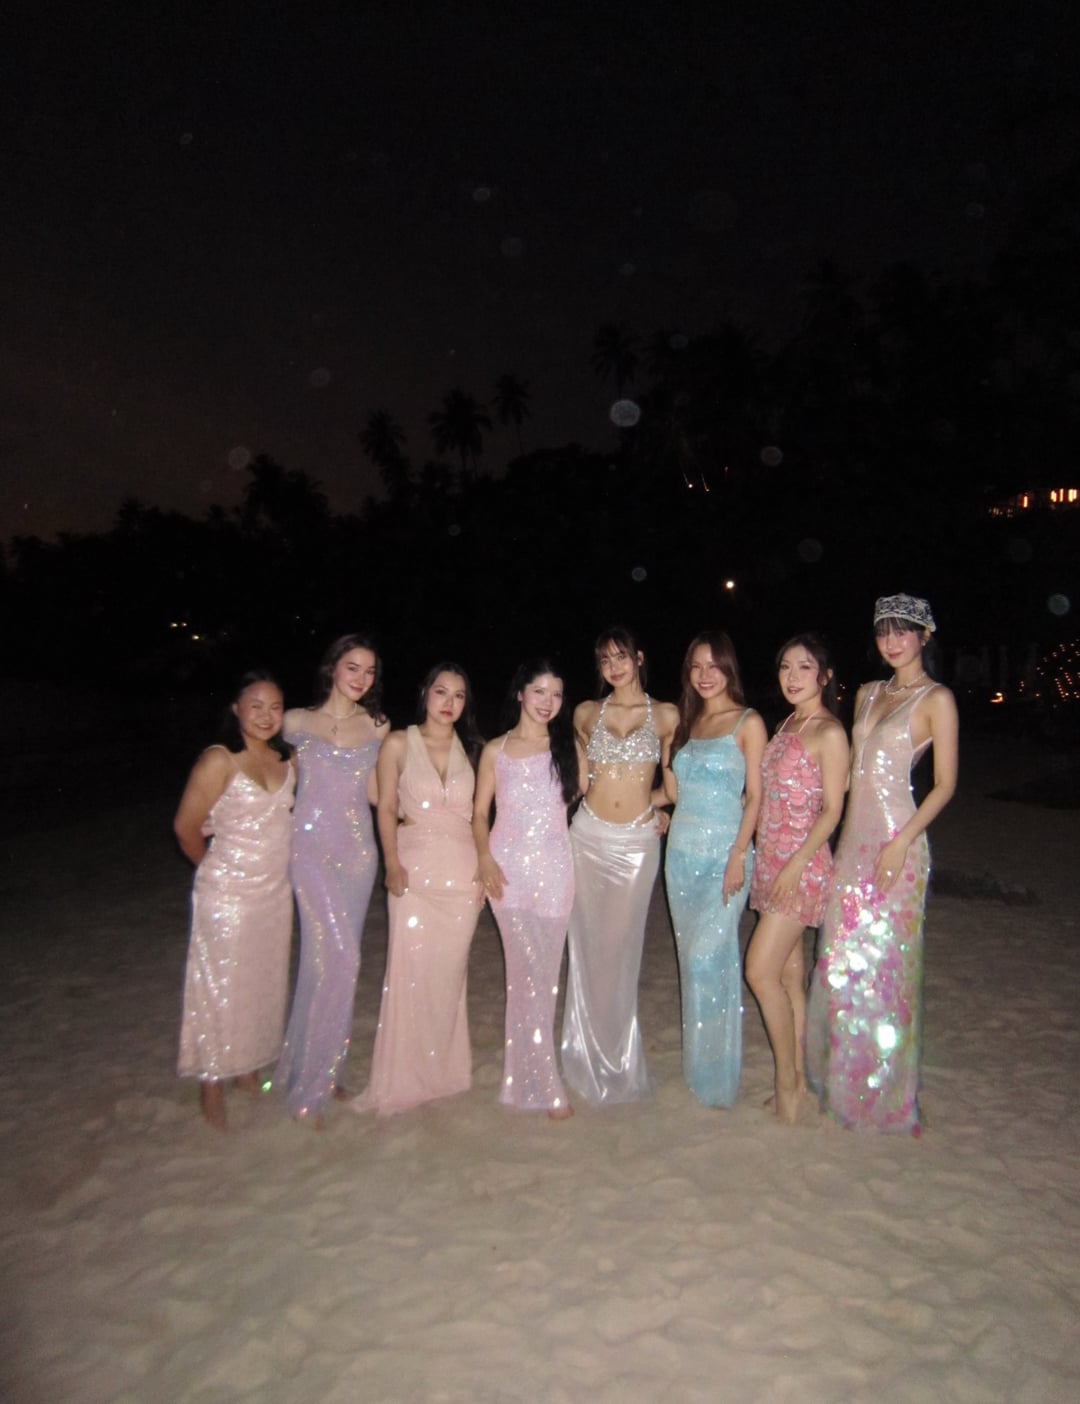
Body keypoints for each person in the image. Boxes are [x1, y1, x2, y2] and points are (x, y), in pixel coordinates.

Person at [806, 594, 958, 1134]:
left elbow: (944, 785)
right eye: (883, 632)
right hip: (854, 841)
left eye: (902, 631)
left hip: (899, 842)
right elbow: (850, 774)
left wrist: (901, 843)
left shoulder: (937, 699)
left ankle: (887, 1097)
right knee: (841, 962)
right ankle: (844, 1085)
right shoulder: (867, 693)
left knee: (889, 970)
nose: (892, 642)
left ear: (924, 636)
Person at [355, 663, 484, 1116]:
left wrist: (485, 864)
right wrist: (391, 863)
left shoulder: (473, 747)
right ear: (425, 693)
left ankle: (443, 1074)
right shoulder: (398, 743)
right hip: (414, 872)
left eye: (459, 695)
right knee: (410, 973)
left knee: (449, 976)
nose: (449, 703)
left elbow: (481, 814)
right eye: (441, 692)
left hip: (463, 875)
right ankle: (405, 1077)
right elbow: (385, 806)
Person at [274, 634, 389, 1124]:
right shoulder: (295, 721)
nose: (361, 678)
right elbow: (279, 781)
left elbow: (378, 793)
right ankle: (310, 1084)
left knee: (333, 962)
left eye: (369, 670)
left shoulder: (378, 725)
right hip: (311, 850)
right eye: (352, 667)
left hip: (359, 854)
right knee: (336, 956)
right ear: (333, 667)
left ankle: (321, 1065)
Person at [560, 627, 678, 1106]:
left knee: (621, 947)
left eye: (621, 657)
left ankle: (617, 1056)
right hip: (587, 838)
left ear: (639, 658)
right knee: (587, 946)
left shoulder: (667, 715)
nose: (613, 667)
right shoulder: (585, 713)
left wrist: (658, 809)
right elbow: (579, 782)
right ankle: (583, 1053)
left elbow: (674, 784)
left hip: (636, 844)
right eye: (605, 660)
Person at [175, 671, 296, 1130]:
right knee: (218, 986)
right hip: (227, 893)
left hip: (274, 892)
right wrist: (213, 869)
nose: (266, 715)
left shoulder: (288, 759)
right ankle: (211, 1082)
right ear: (236, 708)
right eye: (256, 705)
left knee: (261, 983)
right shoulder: (218, 759)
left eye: (275, 707)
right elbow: (185, 828)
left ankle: (248, 1070)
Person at [473, 659, 585, 1119]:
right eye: (539, 691)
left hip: (556, 872)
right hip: (508, 874)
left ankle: (524, 1080)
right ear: (520, 693)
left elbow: (596, 796)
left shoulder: (569, 748)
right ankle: (546, 1084)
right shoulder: (495, 750)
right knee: (523, 975)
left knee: (544, 978)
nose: (548, 702)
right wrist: (484, 858)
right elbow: (479, 814)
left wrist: (652, 811)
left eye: (556, 694)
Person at [746, 635, 849, 1124]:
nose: (792, 677)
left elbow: (832, 811)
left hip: (801, 867)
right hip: (769, 860)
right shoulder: (786, 724)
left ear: (824, 676)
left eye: (804, 667)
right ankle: (802, 1081)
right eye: (785, 667)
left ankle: (786, 1084)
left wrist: (795, 864)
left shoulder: (829, 732)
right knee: (788, 976)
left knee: (758, 972)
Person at [663, 632, 766, 1107]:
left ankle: (716, 1077)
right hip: (680, 857)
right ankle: (697, 1067)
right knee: (690, 961)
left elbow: (756, 797)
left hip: (726, 855)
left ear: (729, 669)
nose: (705, 675)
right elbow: (675, 793)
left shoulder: (748, 722)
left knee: (712, 957)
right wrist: (649, 812)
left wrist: (738, 854)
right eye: (696, 666)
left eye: (714, 665)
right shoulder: (687, 722)